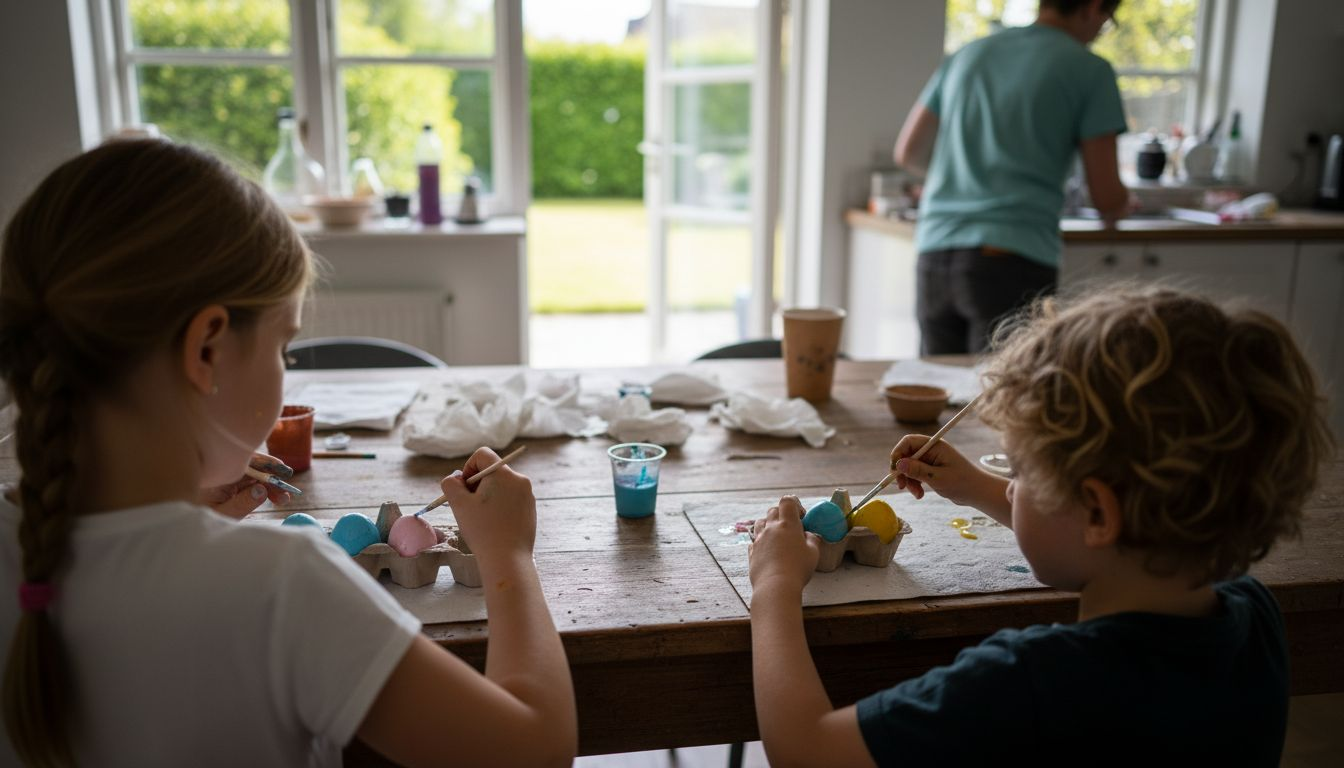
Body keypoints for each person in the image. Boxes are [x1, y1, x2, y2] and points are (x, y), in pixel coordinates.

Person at [0, 139, 577, 767]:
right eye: (284, 348)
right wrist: (508, 556)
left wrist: (187, 519)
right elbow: (533, 752)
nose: (285, 370)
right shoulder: (281, 585)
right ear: (207, 350)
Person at [748, 287, 1333, 766]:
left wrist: (774, 586)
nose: (1013, 487)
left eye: (1022, 473)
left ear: (1099, 512)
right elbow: (1088, 532)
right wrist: (980, 487)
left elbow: (806, 754)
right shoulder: (1256, 620)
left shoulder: (1034, 683)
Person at [895, 0, 1132, 355]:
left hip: (936, 251)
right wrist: (1125, 203)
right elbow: (1106, 197)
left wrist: (962, 174)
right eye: (1107, 21)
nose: (1100, 31)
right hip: (1011, 257)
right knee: (1004, 400)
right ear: (1093, 7)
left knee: (939, 397)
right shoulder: (1088, 69)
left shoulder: (968, 55)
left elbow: (908, 153)